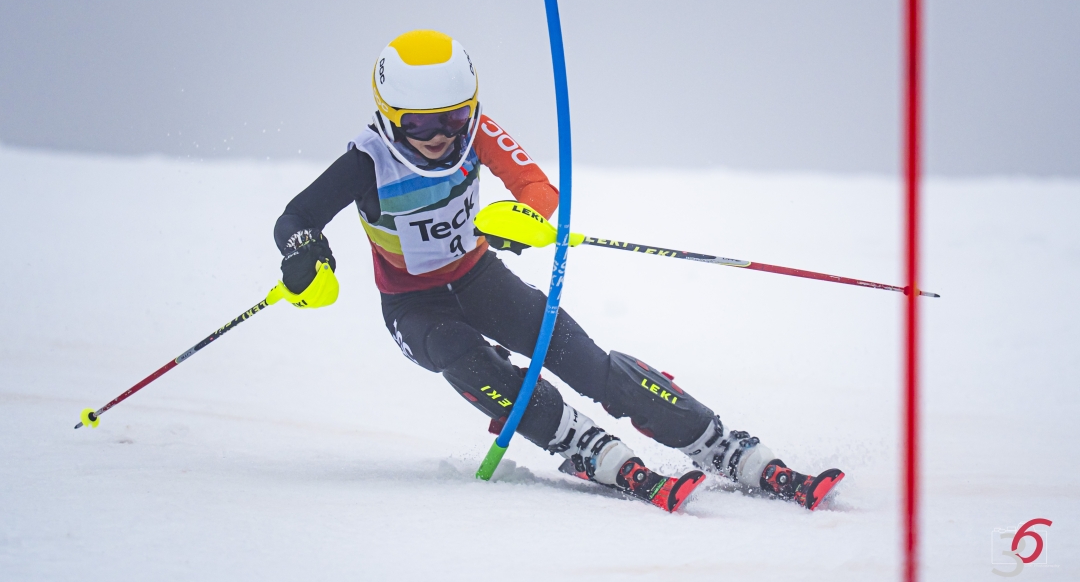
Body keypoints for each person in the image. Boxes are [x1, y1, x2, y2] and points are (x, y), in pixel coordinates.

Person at [273, 29, 844, 512]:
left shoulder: (478, 131)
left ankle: (722, 447)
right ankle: (583, 444)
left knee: (583, 359)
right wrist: (304, 251)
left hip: (479, 278)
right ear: (389, 117)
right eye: (420, 127)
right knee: (464, 355)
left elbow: (537, 188)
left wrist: (519, 218)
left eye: (452, 118)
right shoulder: (366, 160)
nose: (443, 136)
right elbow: (296, 217)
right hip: (413, 308)